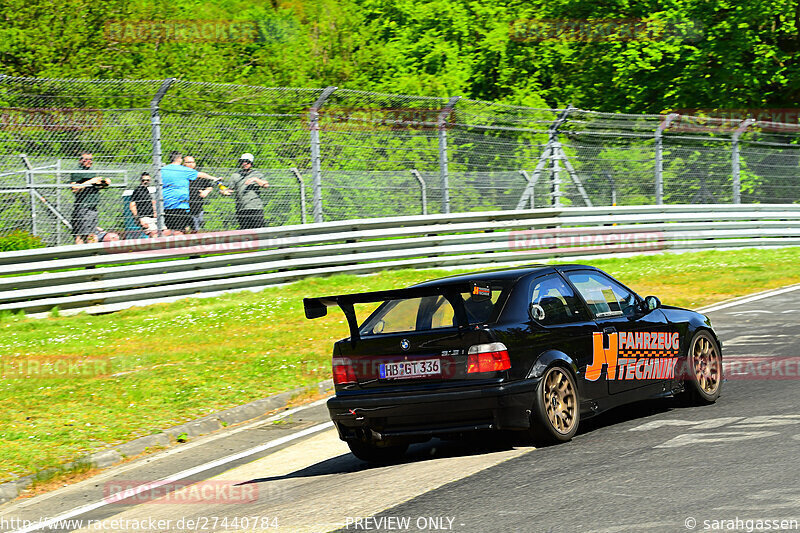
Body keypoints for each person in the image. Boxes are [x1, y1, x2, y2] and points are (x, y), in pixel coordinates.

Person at [69, 151, 110, 244]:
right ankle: (90, 254)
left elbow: (95, 187)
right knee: (87, 235)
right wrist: (91, 181)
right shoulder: (77, 172)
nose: (89, 161)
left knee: (85, 234)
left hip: (93, 207)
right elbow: (74, 188)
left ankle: (85, 255)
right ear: (80, 160)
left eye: (91, 159)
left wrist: (104, 183)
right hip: (84, 207)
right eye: (86, 159)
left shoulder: (91, 172)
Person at [184, 155, 230, 232]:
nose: (191, 164)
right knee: (184, 229)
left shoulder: (199, 175)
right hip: (183, 206)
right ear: (183, 164)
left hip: (197, 207)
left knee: (196, 229)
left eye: (192, 162)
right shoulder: (180, 175)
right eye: (188, 162)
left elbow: (209, 186)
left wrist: (206, 191)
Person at [228, 153, 269, 230]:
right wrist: (224, 192)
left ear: (251, 163)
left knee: (258, 230)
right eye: (242, 161)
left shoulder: (257, 174)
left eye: (247, 161)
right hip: (241, 208)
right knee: (245, 231)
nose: (244, 164)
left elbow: (266, 185)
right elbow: (230, 190)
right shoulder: (235, 175)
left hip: (255, 207)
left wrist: (255, 179)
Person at [159, 151, 196, 233]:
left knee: (171, 229)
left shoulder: (162, 170)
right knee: (179, 231)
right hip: (180, 205)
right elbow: (200, 174)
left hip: (166, 204)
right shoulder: (183, 170)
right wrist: (214, 178)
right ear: (179, 159)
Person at [129, 172, 158, 236]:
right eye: (143, 180)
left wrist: (155, 212)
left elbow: (152, 203)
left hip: (151, 217)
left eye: (147, 180)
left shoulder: (147, 190)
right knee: (154, 234)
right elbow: (132, 206)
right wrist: (139, 219)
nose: (145, 182)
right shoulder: (138, 190)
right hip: (144, 217)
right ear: (140, 181)